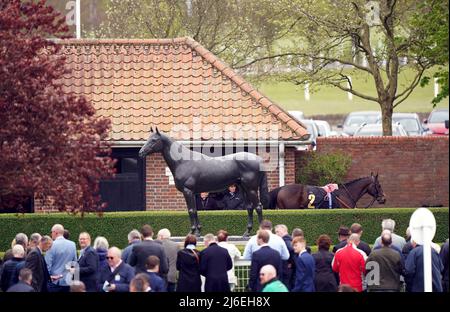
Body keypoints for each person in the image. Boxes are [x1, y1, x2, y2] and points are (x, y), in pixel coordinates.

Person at [45, 224, 77, 292]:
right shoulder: (72, 244)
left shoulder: (51, 245)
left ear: (55, 232)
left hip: (54, 282)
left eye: (51, 232)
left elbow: (47, 266)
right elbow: (74, 264)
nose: (51, 234)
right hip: (68, 281)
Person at [275, 224, 296, 290]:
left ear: (284, 230)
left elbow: (292, 249)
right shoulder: (289, 239)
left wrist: (290, 262)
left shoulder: (285, 240)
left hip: (286, 270)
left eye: (278, 231)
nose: (276, 234)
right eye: (276, 232)